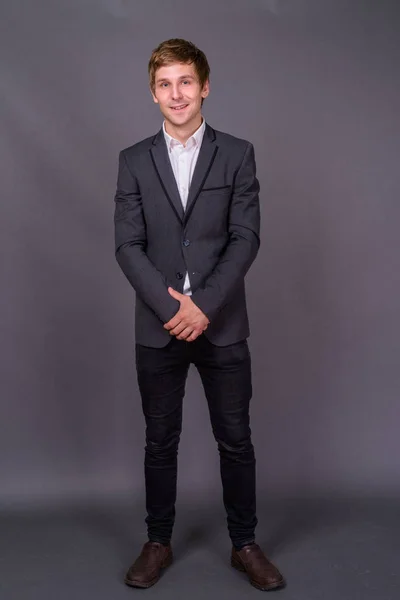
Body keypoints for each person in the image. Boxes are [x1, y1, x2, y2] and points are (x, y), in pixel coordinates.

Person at [113, 38, 286, 591]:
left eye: (185, 81)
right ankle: (157, 542)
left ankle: (245, 544)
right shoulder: (133, 160)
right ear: (152, 93)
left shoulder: (237, 154)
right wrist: (173, 309)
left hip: (222, 324)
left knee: (235, 438)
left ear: (205, 86)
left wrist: (203, 305)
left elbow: (245, 237)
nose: (176, 93)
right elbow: (127, 246)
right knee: (159, 440)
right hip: (158, 327)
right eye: (165, 84)